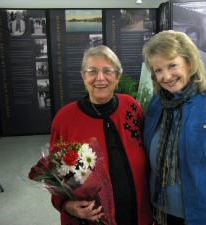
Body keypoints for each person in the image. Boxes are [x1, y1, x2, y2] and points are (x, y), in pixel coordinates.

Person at [142, 30, 206, 225]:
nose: (166, 76)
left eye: (172, 65)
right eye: (158, 70)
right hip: (158, 213)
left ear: (189, 62)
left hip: (201, 218)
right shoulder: (157, 104)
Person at [49, 45, 152, 225]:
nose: (100, 77)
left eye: (107, 71)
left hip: (138, 214)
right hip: (92, 219)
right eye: (92, 71)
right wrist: (65, 205)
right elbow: (53, 174)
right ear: (83, 77)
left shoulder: (132, 107)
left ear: (117, 77)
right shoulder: (65, 119)